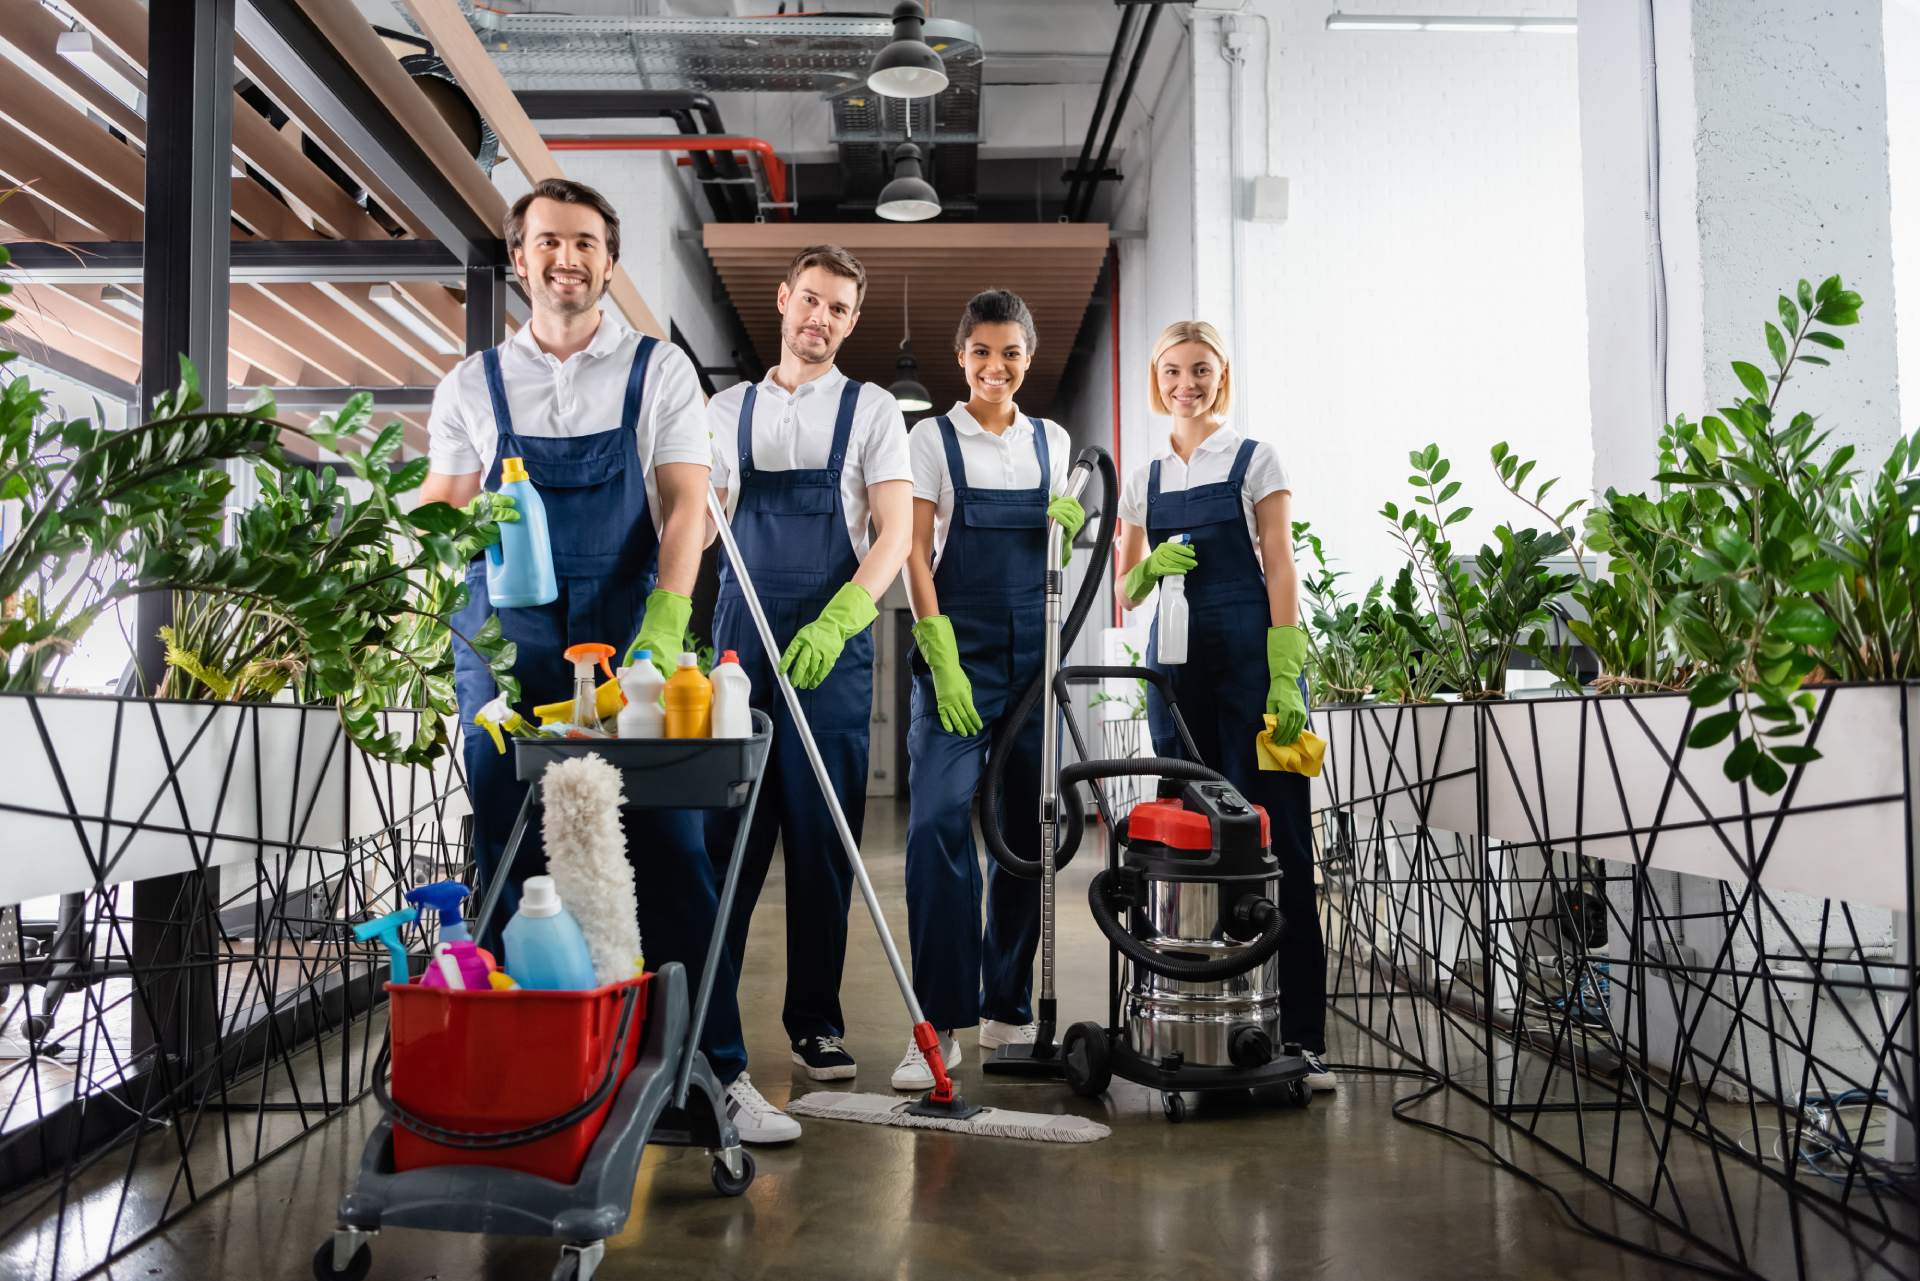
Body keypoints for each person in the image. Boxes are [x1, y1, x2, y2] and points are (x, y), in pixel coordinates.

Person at [420, 178, 795, 1143]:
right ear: (520, 259)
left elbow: (684, 502)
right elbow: (444, 505)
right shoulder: (471, 384)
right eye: (548, 242)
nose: (567, 259)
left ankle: (714, 1073)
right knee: (508, 849)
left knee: (670, 849)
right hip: (505, 650)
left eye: (585, 241)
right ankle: (523, 1077)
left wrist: (666, 625)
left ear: (608, 260)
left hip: (631, 639)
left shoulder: (658, 372)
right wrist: (397, 581)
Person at [706, 245, 913, 1091]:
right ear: (783, 299)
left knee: (823, 843)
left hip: (835, 643)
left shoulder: (870, 411)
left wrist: (840, 619)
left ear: (851, 322)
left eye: (839, 309)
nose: (820, 319)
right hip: (738, 646)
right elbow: (703, 511)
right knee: (725, 843)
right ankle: (704, 1024)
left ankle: (816, 1025)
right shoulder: (725, 410)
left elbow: (893, 533)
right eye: (811, 301)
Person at [1111, 319, 1331, 1090]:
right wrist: (1148, 570)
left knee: (1281, 844)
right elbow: (1123, 587)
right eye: (1172, 371)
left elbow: (1279, 566)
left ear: (1221, 376)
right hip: (1178, 679)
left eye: (1200, 370)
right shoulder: (1143, 479)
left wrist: (1284, 671)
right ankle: (1195, 1022)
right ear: (1156, 379)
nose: (1186, 384)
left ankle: (1300, 1034)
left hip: (1253, 672)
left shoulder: (1254, 458)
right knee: (1192, 848)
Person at [893, 290, 1084, 1089]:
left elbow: (1058, 555)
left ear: (1028, 357)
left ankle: (1005, 999)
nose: (994, 367)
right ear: (960, 357)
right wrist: (937, 651)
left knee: (1024, 830)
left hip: (1033, 654)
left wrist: (1068, 525)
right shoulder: (931, 437)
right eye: (980, 352)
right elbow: (913, 545)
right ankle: (937, 1021)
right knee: (938, 817)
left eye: (1009, 353)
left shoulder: (1053, 439)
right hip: (957, 647)